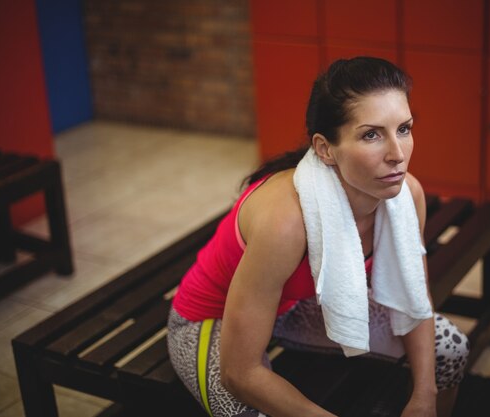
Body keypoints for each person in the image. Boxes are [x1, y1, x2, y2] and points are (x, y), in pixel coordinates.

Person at [168, 56, 469, 417]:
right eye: (372, 134)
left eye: (403, 128)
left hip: (295, 308)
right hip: (208, 320)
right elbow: (239, 372)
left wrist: (423, 397)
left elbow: (414, 296)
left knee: (449, 349)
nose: (398, 154)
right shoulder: (286, 222)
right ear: (325, 148)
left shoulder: (407, 196)